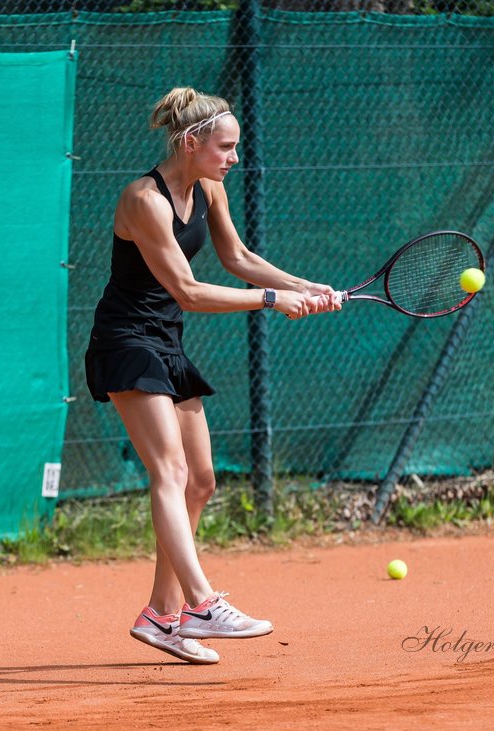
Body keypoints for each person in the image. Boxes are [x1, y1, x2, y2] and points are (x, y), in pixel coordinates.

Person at [84, 87, 342, 666]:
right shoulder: (142, 200)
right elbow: (190, 291)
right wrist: (272, 300)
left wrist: (305, 287)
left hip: (166, 342)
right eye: (224, 148)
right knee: (169, 470)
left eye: (234, 150)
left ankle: (160, 615)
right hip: (127, 342)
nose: (232, 158)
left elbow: (239, 258)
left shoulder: (210, 189)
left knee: (200, 481)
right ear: (190, 141)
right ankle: (201, 603)